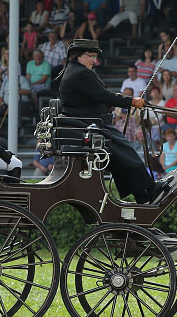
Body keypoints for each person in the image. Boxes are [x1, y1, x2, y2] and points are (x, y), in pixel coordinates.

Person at [58, 39, 170, 204]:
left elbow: (98, 95)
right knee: (127, 152)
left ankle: (142, 193)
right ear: (80, 56)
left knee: (121, 157)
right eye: (91, 56)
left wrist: (123, 100)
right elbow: (102, 95)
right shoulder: (80, 73)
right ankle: (149, 189)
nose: (94, 60)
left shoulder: (75, 70)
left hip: (88, 122)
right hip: (89, 124)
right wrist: (132, 101)